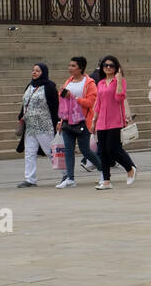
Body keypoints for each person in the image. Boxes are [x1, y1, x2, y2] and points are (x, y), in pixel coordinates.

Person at [54, 56, 102, 188]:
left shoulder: (89, 83)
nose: (70, 68)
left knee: (85, 150)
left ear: (80, 68)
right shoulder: (68, 81)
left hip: (83, 121)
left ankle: (103, 172)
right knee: (68, 150)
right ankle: (70, 178)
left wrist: (74, 98)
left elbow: (91, 102)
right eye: (70, 65)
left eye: (73, 66)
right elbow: (63, 102)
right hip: (68, 121)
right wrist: (60, 120)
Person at [91, 55, 137, 189]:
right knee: (102, 151)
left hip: (115, 120)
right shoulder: (100, 83)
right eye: (106, 65)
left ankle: (130, 168)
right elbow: (98, 103)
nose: (108, 67)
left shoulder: (120, 81)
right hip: (101, 121)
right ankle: (106, 180)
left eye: (111, 65)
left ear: (116, 68)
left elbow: (119, 98)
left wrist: (118, 80)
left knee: (112, 149)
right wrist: (94, 121)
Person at [17, 62, 59, 187]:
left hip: (44, 126)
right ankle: (30, 179)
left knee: (50, 151)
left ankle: (66, 174)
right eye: (33, 70)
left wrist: (57, 122)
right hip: (30, 126)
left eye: (38, 71)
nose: (34, 73)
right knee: (29, 152)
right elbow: (25, 102)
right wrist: (21, 116)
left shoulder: (49, 86)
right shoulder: (30, 86)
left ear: (44, 73)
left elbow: (55, 106)